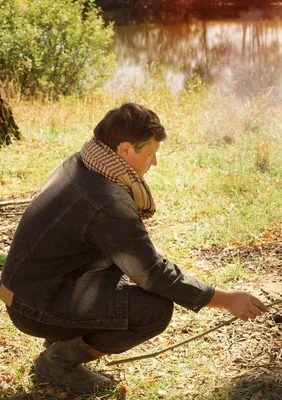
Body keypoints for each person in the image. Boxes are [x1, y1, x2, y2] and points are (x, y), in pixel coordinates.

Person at [0, 103, 267, 394]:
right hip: (32, 306)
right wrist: (226, 299)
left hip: (22, 290)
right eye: (149, 154)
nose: (153, 163)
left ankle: (61, 337)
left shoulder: (85, 161)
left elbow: (130, 253)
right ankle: (58, 363)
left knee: (130, 284)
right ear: (125, 149)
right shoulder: (105, 200)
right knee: (152, 310)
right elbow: (151, 273)